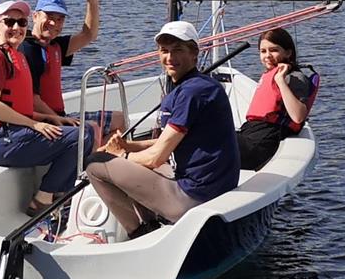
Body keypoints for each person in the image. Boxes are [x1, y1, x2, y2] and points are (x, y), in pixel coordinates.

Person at [85, 21, 240, 239]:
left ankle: (139, 231)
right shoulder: (200, 85)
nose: (170, 57)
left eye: (178, 50)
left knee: (95, 165)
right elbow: (169, 140)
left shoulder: (192, 93)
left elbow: (156, 157)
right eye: (164, 51)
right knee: (130, 163)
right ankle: (152, 220)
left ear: (195, 53)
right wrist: (128, 145)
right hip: (212, 187)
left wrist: (121, 155)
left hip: (195, 196)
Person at [0, 0, 94, 217]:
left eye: (21, 22)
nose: (16, 27)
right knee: (80, 137)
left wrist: (50, 118)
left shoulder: (15, 55)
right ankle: (43, 201)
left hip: (11, 132)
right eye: (9, 22)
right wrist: (35, 124)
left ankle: (57, 197)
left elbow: (16, 106)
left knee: (83, 131)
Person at [19, 0, 125, 145]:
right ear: (35, 16)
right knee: (92, 128)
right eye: (49, 16)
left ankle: (98, 161)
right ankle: (94, 164)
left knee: (120, 119)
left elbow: (88, 34)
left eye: (60, 19)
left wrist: (92, 0)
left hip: (59, 116)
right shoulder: (27, 49)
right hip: (43, 121)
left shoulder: (55, 46)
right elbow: (33, 99)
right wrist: (59, 120)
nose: (54, 23)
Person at [237, 28, 319, 171]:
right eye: (263, 51)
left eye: (273, 50)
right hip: (250, 133)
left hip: (262, 142)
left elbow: (298, 116)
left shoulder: (293, 78)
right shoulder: (270, 74)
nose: (267, 55)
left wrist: (280, 81)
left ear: (288, 52)